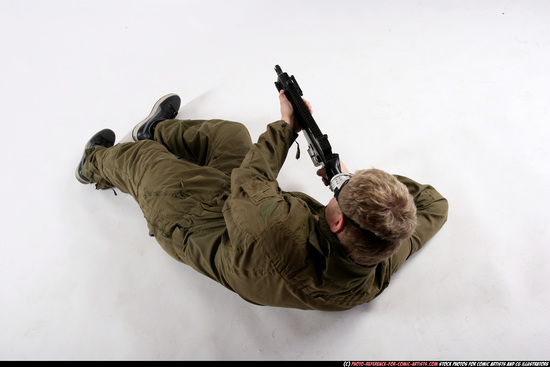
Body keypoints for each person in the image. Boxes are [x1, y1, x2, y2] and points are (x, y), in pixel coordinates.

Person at [75, 92, 448, 311]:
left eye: (338, 193)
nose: (337, 187)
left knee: (143, 160)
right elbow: (434, 204)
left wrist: (287, 125)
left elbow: (250, 181)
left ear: (337, 224)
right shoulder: (378, 256)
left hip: (195, 220)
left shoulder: (276, 227)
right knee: (231, 135)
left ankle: (93, 164)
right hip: (243, 206)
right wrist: (366, 194)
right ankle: (155, 129)